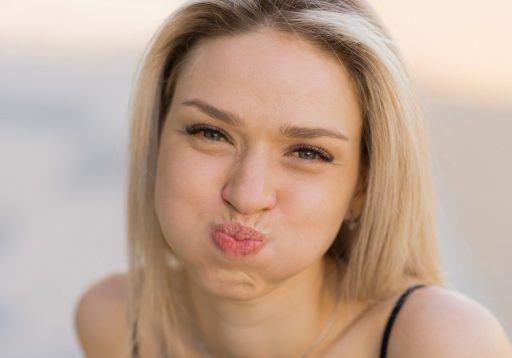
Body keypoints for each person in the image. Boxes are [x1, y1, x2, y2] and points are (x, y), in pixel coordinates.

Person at [74, 0, 512, 356]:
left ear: (363, 188)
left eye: (308, 152)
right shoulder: (115, 322)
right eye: (211, 133)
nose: (246, 195)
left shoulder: (441, 342)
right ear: (156, 141)